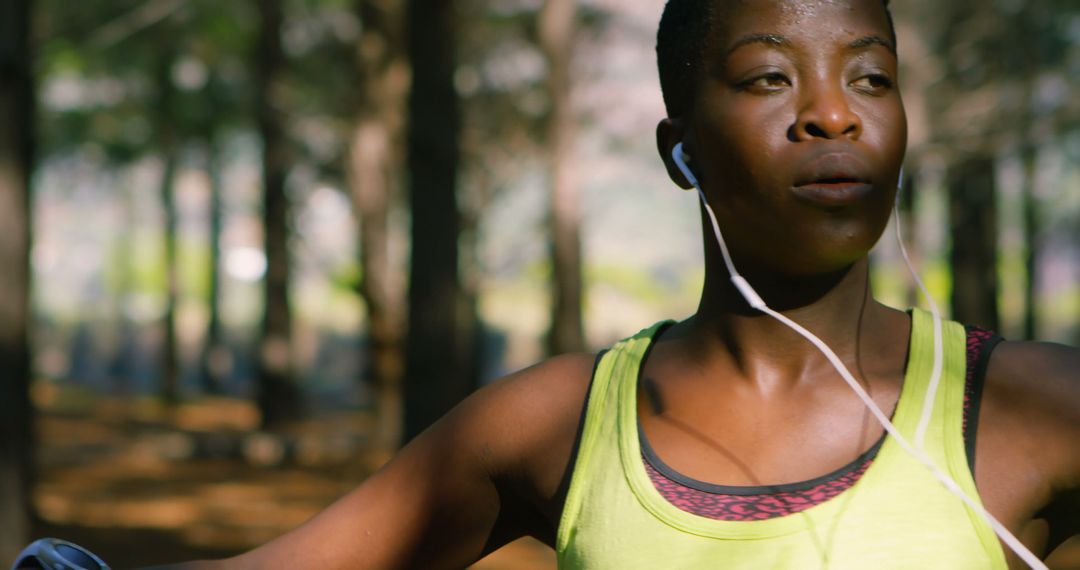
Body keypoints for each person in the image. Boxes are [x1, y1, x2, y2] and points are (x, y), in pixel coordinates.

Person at [163, 0, 1079, 567]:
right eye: (769, 76)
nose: (832, 112)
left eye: (871, 76)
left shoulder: (1036, 408)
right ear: (679, 148)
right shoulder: (561, 418)